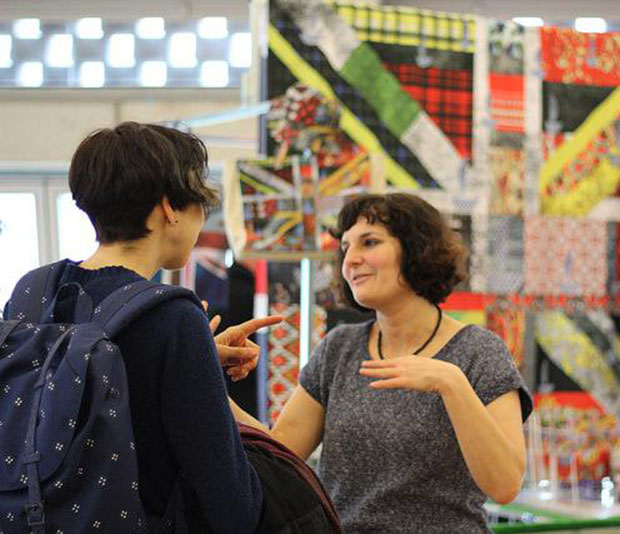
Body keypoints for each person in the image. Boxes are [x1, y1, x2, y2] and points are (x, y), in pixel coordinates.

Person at [3, 122, 280, 532]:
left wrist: (201, 358)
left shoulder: (33, 290)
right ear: (169, 208)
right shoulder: (174, 318)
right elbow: (234, 504)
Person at [263, 193, 533, 534]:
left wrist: (451, 384)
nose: (351, 261)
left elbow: (505, 484)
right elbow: (278, 456)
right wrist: (205, 377)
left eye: (369, 242)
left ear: (416, 249)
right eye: (346, 248)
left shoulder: (479, 352)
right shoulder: (339, 349)